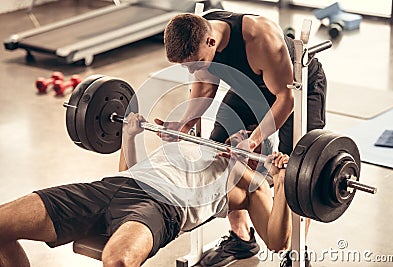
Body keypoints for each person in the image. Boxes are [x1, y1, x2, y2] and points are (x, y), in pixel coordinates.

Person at [0, 113, 292, 267]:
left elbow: (278, 242)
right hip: (114, 188)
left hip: (162, 207)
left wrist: (281, 183)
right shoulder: (194, 146)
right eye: (238, 132)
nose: (238, 137)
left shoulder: (251, 187)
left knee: (118, 261)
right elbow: (130, 173)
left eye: (248, 139)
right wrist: (130, 134)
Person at [159, 10, 327, 266]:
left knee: (298, 169)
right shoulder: (201, 35)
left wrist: (254, 139)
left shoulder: (260, 38)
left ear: (211, 43)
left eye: (196, 63)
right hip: (248, 87)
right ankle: (241, 238)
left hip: (296, 88)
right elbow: (205, 85)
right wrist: (185, 123)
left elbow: (285, 99)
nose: (192, 71)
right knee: (219, 151)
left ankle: (296, 253)